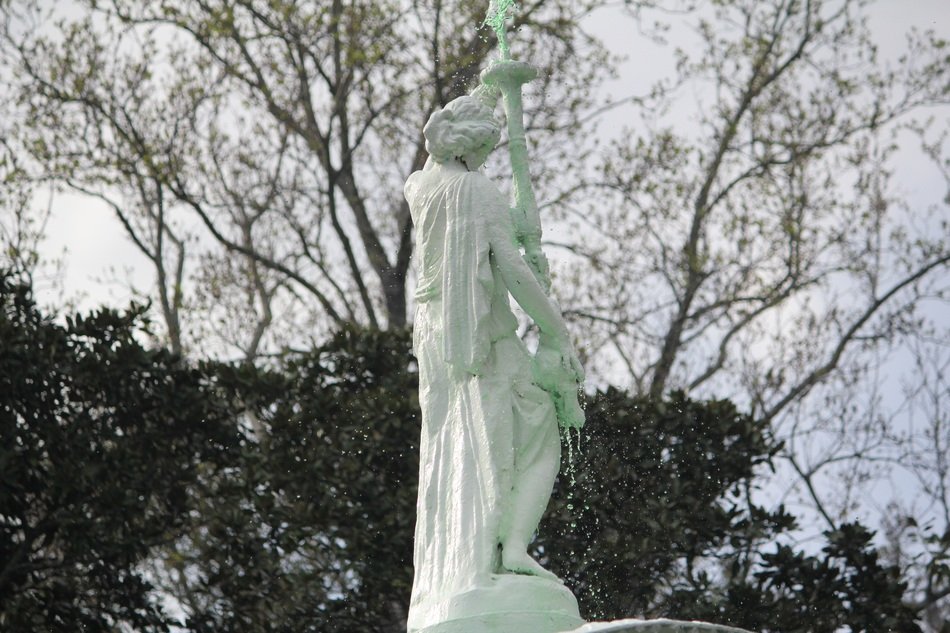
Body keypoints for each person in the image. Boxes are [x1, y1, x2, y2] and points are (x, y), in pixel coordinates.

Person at [405, 84, 584, 632]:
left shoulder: (420, 187)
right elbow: (511, 269)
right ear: (470, 147)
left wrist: (484, 95)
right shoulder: (476, 192)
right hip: (483, 338)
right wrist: (557, 333)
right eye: (485, 146)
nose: (488, 156)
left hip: (438, 341)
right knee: (535, 428)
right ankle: (509, 551)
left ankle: (467, 565)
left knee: (459, 445)